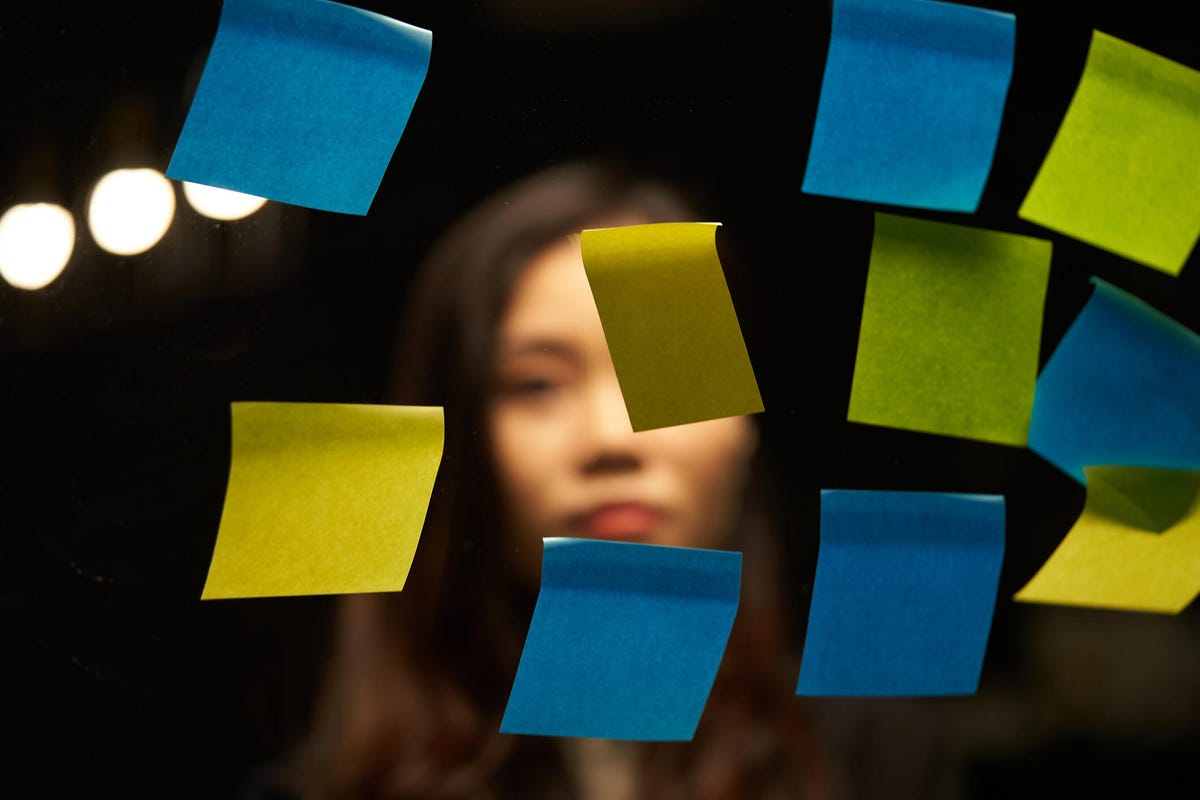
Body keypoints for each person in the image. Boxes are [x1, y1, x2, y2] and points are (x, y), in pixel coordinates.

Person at [267, 160, 833, 799]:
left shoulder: (875, 760)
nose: (611, 438)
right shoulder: (335, 787)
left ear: (743, 425)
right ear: (457, 445)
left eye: (667, 369)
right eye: (537, 383)